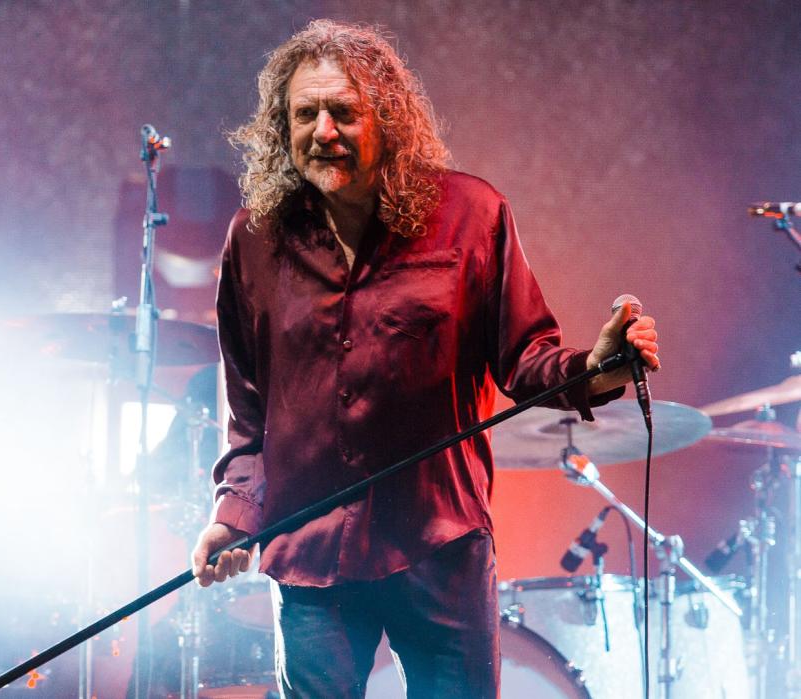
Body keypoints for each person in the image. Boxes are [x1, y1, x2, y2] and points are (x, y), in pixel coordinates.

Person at [189, 19, 659, 698]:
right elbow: (250, 414)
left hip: (440, 544)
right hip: (311, 557)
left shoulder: (472, 216)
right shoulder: (253, 242)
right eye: (305, 113)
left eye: (343, 112)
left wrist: (602, 368)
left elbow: (525, 357)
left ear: (387, 118)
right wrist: (232, 513)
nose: (323, 131)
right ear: (281, 125)